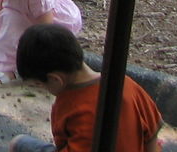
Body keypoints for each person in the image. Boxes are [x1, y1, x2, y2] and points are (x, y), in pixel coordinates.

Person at [8, 23, 163, 152]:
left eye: (40, 85)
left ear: (55, 79)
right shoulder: (125, 84)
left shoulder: (73, 106)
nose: (42, 89)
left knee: (19, 143)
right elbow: (152, 136)